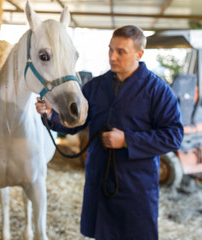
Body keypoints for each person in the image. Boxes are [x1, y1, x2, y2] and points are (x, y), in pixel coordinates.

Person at [35, 25, 183, 240]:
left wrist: (127, 140)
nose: (112, 56)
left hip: (136, 186)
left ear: (139, 54)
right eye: (110, 49)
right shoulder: (95, 86)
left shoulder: (158, 90)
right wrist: (50, 115)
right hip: (99, 180)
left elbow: (173, 136)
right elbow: (76, 123)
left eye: (121, 51)